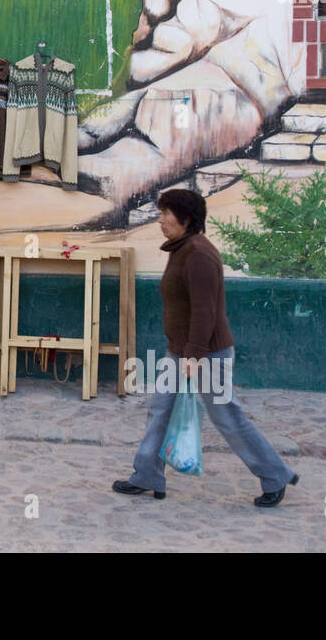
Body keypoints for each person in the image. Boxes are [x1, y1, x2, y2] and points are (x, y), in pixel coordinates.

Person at [112, 189, 299, 507]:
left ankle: (274, 475)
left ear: (184, 218)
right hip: (181, 351)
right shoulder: (182, 248)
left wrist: (194, 355)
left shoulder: (198, 253)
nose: (159, 220)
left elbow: (204, 310)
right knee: (159, 411)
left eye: (164, 213)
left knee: (227, 416)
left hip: (205, 355)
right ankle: (147, 475)